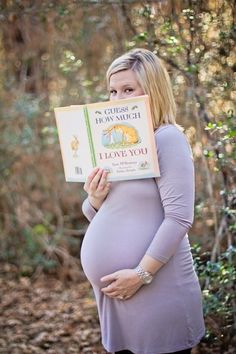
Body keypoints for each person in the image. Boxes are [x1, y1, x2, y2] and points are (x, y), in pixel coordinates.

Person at [80, 48, 205, 354]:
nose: (118, 99)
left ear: (152, 91)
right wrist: (95, 199)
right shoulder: (115, 142)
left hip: (156, 289)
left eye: (128, 90)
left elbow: (179, 219)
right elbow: (115, 214)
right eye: (112, 91)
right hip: (116, 296)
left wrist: (140, 274)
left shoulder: (167, 139)